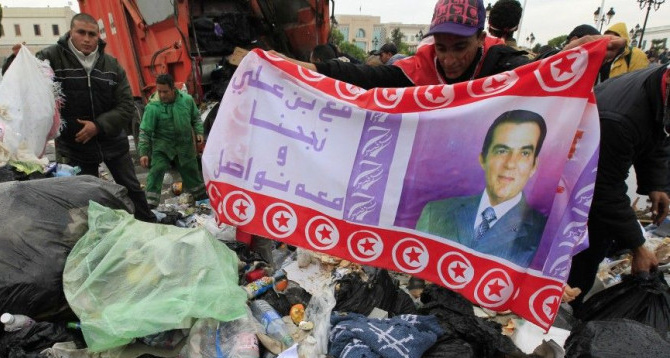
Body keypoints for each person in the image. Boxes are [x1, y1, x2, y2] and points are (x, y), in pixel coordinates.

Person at [272, 0, 626, 89]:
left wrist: (573, 54)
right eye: (441, 47)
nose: (449, 59)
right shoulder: (419, 68)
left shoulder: (501, 63)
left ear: (480, 38)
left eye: (460, 48)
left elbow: (538, 71)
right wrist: (312, 68)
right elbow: (367, 76)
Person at [567, 64, 670, 307]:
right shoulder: (620, 118)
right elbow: (603, 190)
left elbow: (661, 133)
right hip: (574, 195)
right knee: (577, 268)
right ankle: (563, 319)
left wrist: (657, 184)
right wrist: (638, 245)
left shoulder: (659, 86)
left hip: (595, 181)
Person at [36, 13, 155, 222]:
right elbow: (30, 87)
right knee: (84, 198)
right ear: (70, 32)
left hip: (112, 142)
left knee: (132, 189)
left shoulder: (111, 65)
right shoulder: (51, 58)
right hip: (76, 146)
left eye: (92, 34)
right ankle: (94, 242)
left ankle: (150, 227)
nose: (87, 39)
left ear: (98, 37)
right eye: (81, 32)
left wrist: (98, 126)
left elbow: (126, 105)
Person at [415, 110, 547, 267]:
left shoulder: (546, 235)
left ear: (534, 166)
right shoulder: (435, 213)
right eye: (502, 151)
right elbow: (409, 276)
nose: (510, 164)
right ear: (483, 158)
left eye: (524, 153)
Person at [138, 74, 205, 207]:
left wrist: (199, 132)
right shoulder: (153, 108)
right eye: (159, 91)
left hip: (184, 145)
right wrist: (144, 152)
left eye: (165, 91)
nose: (162, 95)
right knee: (156, 171)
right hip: (163, 147)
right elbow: (145, 131)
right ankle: (150, 205)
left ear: (173, 89)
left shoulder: (186, 100)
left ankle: (202, 200)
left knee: (191, 172)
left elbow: (196, 118)